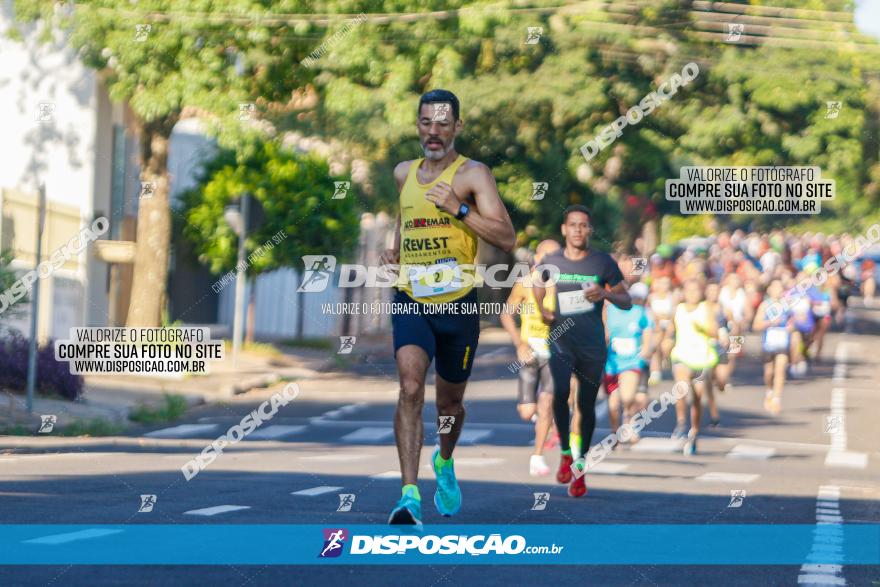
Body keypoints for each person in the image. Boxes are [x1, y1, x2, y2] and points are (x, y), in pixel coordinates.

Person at [380, 89, 516, 528]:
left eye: (442, 123)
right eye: (425, 123)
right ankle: (408, 495)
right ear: (417, 124)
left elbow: (506, 237)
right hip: (411, 298)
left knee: (449, 406)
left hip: (457, 305)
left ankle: (444, 459)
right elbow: (405, 219)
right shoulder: (404, 173)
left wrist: (457, 208)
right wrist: (394, 251)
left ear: (457, 126)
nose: (433, 132)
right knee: (409, 387)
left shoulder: (474, 174)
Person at [534, 205, 631, 498]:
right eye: (572, 225)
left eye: (583, 225)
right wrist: (542, 309)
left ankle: (580, 465)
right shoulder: (551, 260)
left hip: (592, 344)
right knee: (560, 392)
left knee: (586, 406)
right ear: (564, 229)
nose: (578, 229)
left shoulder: (603, 263)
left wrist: (605, 293)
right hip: (561, 339)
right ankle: (565, 450)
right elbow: (536, 284)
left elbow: (626, 300)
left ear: (589, 230)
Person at [500, 239, 561, 476]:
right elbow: (507, 314)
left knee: (546, 404)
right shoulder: (524, 283)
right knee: (527, 412)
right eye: (546, 257)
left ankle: (537, 457)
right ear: (537, 258)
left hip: (554, 353)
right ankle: (544, 422)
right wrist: (519, 343)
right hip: (530, 352)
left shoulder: (564, 284)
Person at [668, 278, 718, 456]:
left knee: (697, 398)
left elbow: (715, 332)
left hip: (701, 359)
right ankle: (681, 422)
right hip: (681, 355)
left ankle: (694, 432)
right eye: (688, 290)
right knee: (681, 387)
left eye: (696, 290)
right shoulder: (679, 309)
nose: (692, 294)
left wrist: (702, 328)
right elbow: (671, 331)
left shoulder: (706, 308)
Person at [603, 281, 653, 444]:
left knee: (627, 396)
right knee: (612, 404)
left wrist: (646, 347)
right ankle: (614, 431)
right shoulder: (608, 312)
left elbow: (647, 329)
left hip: (632, 362)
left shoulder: (639, 312)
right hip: (611, 363)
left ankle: (629, 421)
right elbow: (601, 332)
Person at [753, 279, 793, 416]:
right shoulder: (765, 306)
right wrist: (769, 323)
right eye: (774, 287)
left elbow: (792, 322)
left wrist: (791, 327)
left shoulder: (787, 305)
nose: (777, 290)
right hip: (769, 344)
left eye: (780, 287)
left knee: (780, 370)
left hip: (783, 342)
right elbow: (756, 325)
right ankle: (769, 391)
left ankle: (776, 400)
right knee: (769, 373)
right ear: (769, 290)